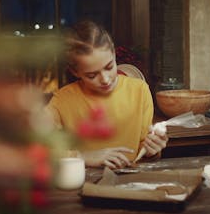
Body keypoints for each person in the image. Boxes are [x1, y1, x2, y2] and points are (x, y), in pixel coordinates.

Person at [45, 20, 168, 168]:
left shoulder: (139, 91)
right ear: (75, 72)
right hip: (84, 182)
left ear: (114, 54)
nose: (105, 79)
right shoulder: (62, 101)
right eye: (92, 75)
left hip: (132, 181)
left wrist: (152, 150)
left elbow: (145, 148)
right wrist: (83, 157)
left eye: (109, 67)